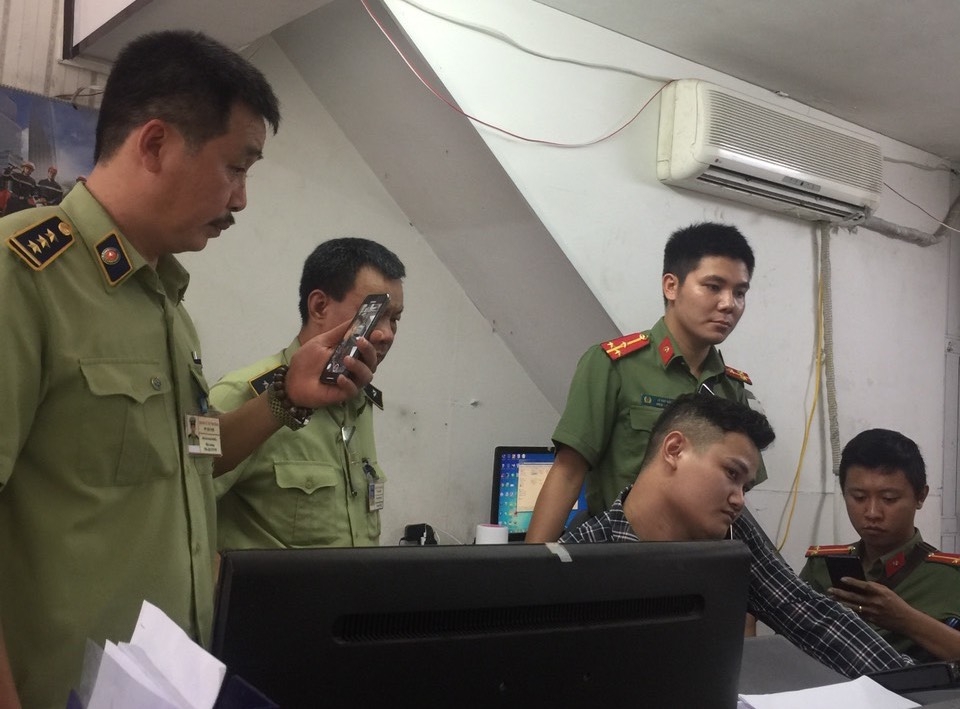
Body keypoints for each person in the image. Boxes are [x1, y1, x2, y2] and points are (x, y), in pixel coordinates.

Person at [0, 31, 378, 709]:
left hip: (163, 685)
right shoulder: (22, 277)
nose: (241, 199)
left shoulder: (166, 306)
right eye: (236, 167)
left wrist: (286, 397)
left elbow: (191, 457)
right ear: (155, 144)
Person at [562, 394, 913, 678]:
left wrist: (912, 684)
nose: (739, 499)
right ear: (674, 450)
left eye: (745, 486)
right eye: (732, 474)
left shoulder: (732, 535)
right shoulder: (577, 561)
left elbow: (809, 615)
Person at [526, 222, 764, 543]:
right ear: (671, 286)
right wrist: (532, 565)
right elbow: (568, 472)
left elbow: (738, 489)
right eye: (713, 286)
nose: (728, 304)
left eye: (740, 293)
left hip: (700, 558)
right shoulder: (616, 365)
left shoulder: (731, 387)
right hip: (622, 550)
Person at [212, 238, 405, 549]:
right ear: (319, 306)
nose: (387, 334)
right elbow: (179, 513)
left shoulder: (358, 400)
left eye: (395, 319)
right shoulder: (246, 395)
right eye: (373, 314)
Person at [800, 429, 960, 662]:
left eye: (889, 499)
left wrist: (906, 620)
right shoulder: (821, 568)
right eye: (859, 497)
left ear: (920, 497)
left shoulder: (951, 576)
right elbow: (791, 643)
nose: (872, 513)